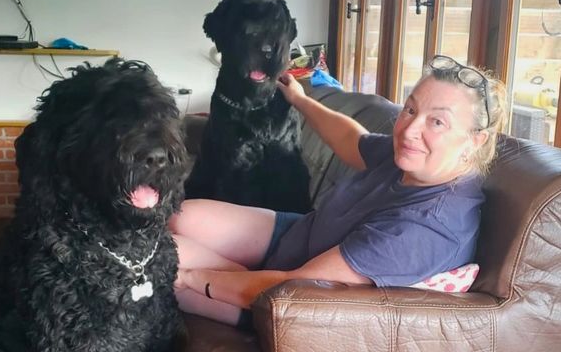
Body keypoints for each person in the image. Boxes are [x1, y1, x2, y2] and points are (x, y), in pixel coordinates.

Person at [169, 55, 507, 326]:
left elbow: (295, 289)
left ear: (474, 141)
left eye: (438, 122)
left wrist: (193, 278)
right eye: (411, 109)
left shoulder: (425, 228)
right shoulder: (417, 162)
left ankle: (224, 283)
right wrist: (300, 101)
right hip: (298, 238)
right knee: (182, 218)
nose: (410, 130)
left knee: (161, 257)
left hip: (284, 302)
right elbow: (350, 139)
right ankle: (229, 274)